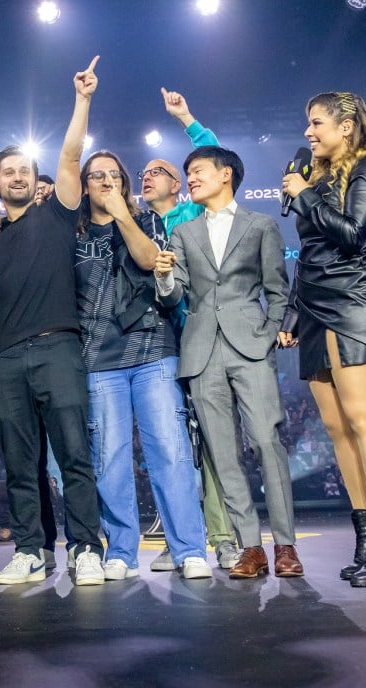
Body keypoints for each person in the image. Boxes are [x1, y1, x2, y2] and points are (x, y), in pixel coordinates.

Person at [0, 60, 106, 587]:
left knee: (75, 455)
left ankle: (85, 548)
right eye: (8, 171)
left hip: (58, 350)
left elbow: (72, 155)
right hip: (4, 360)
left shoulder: (57, 215)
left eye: (24, 171)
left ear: (35, 182)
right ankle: (31, 549)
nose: (17, 176)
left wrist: (81, 101)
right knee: (20, 466)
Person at [155, 145, 302, 580]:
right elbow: (174, 293)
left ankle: (286, 545)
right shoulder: (184, 233)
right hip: (201, 351)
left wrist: (271, 329)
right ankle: (250, 547)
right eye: (188, 173)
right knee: (222, 454)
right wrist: (164, 274)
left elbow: (277, 288)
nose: (191, 179)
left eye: (197, 171)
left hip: (250, 346)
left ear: (226, 175)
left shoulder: (260, 225)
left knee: (265, 441)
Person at [280, 91, 366, 587]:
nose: (308, 133)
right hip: (314, 306)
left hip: (358, 301)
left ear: (346, 126)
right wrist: (291, 311)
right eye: (307, 124)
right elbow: (309, 251)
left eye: (316, 123)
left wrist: (305, 193)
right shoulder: (319, 176)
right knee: (337, 429)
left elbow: (353, 234)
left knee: (364, 419)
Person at [75, 150, 211, 581]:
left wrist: (122, 215)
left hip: (153, 349)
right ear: (84, 184)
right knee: (108, 458)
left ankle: (189, 548)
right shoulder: (71, 234)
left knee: (169, 452)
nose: (106, 181)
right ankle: (121, 550)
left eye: (114, 174)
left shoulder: (148, 221)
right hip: (98, 357)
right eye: (96, 175)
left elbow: (151, 262)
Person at [141, 88, 239, 571]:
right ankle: (180, 539)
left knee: (211, 440)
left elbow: (217, 164)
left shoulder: (192, 213)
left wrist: (186, 118)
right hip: (150, 345)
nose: (146, 176)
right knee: (170, 445)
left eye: (157, 171)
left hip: (197, 338)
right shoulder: (135, 225)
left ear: (179, 184)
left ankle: (223, 537)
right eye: (143, 173)